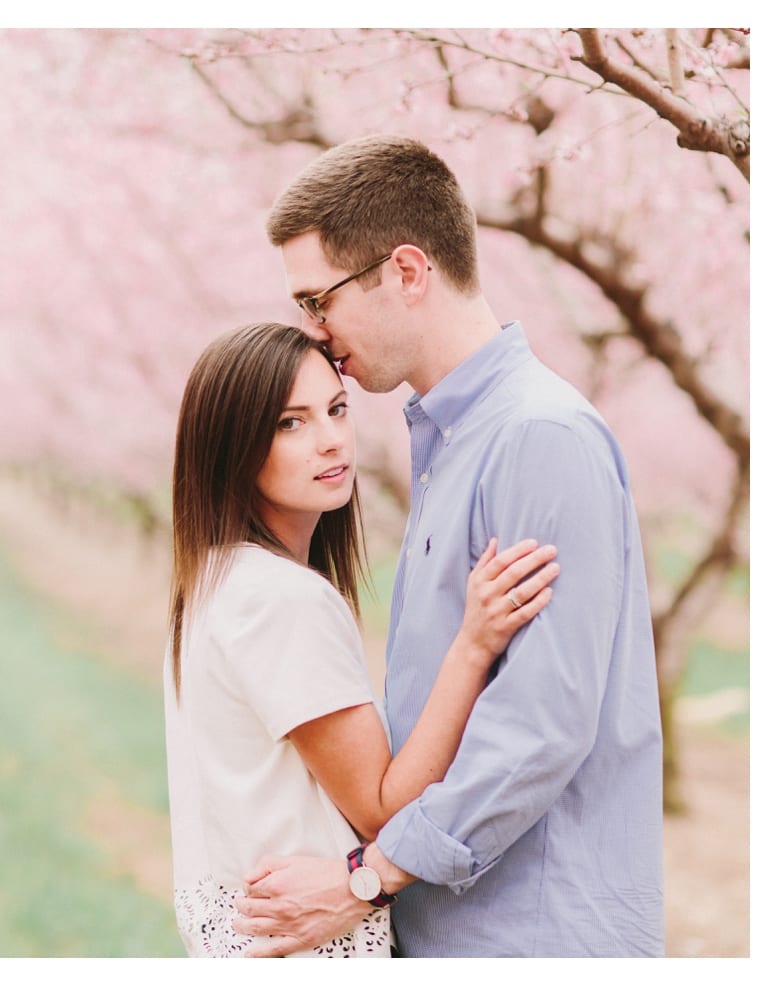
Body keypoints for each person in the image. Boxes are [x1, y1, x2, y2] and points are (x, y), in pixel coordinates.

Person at [231, 134, 664, 957]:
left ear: (406, 271)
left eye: (318, 300)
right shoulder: (452, 440)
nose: (314, 333)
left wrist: (368, 876)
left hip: (533, 937)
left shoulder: (538, 436)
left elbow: (540, 726)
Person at [163, 321, 559, 957]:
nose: (330, 441)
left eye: (337, 409)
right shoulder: (280, 598)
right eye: (290, 423)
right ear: (232, 446)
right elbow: (383, 810)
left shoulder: (216, 579)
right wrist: (474, 644)